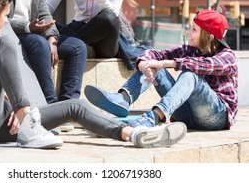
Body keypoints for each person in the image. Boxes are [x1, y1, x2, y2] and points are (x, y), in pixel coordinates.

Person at [0, 0, 187, 149]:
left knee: (75, 106)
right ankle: (27, 119)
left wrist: (5, 102)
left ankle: (132, 133)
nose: (6, 21)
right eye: (6, 15)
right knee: (5, 44)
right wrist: (11, 104)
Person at [85, 9, 238, 131]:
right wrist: (146, 63)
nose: (189, 33)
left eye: (194, 30)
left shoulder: (227, 56)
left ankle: (154, 117)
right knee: (153, 63)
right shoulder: (190, 49)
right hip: (187, 115)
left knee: (190, 74)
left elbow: (202, 65)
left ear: (209, 37)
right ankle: (123, 98)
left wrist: (165, 63)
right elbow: (156, 53)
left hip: (215, 117)